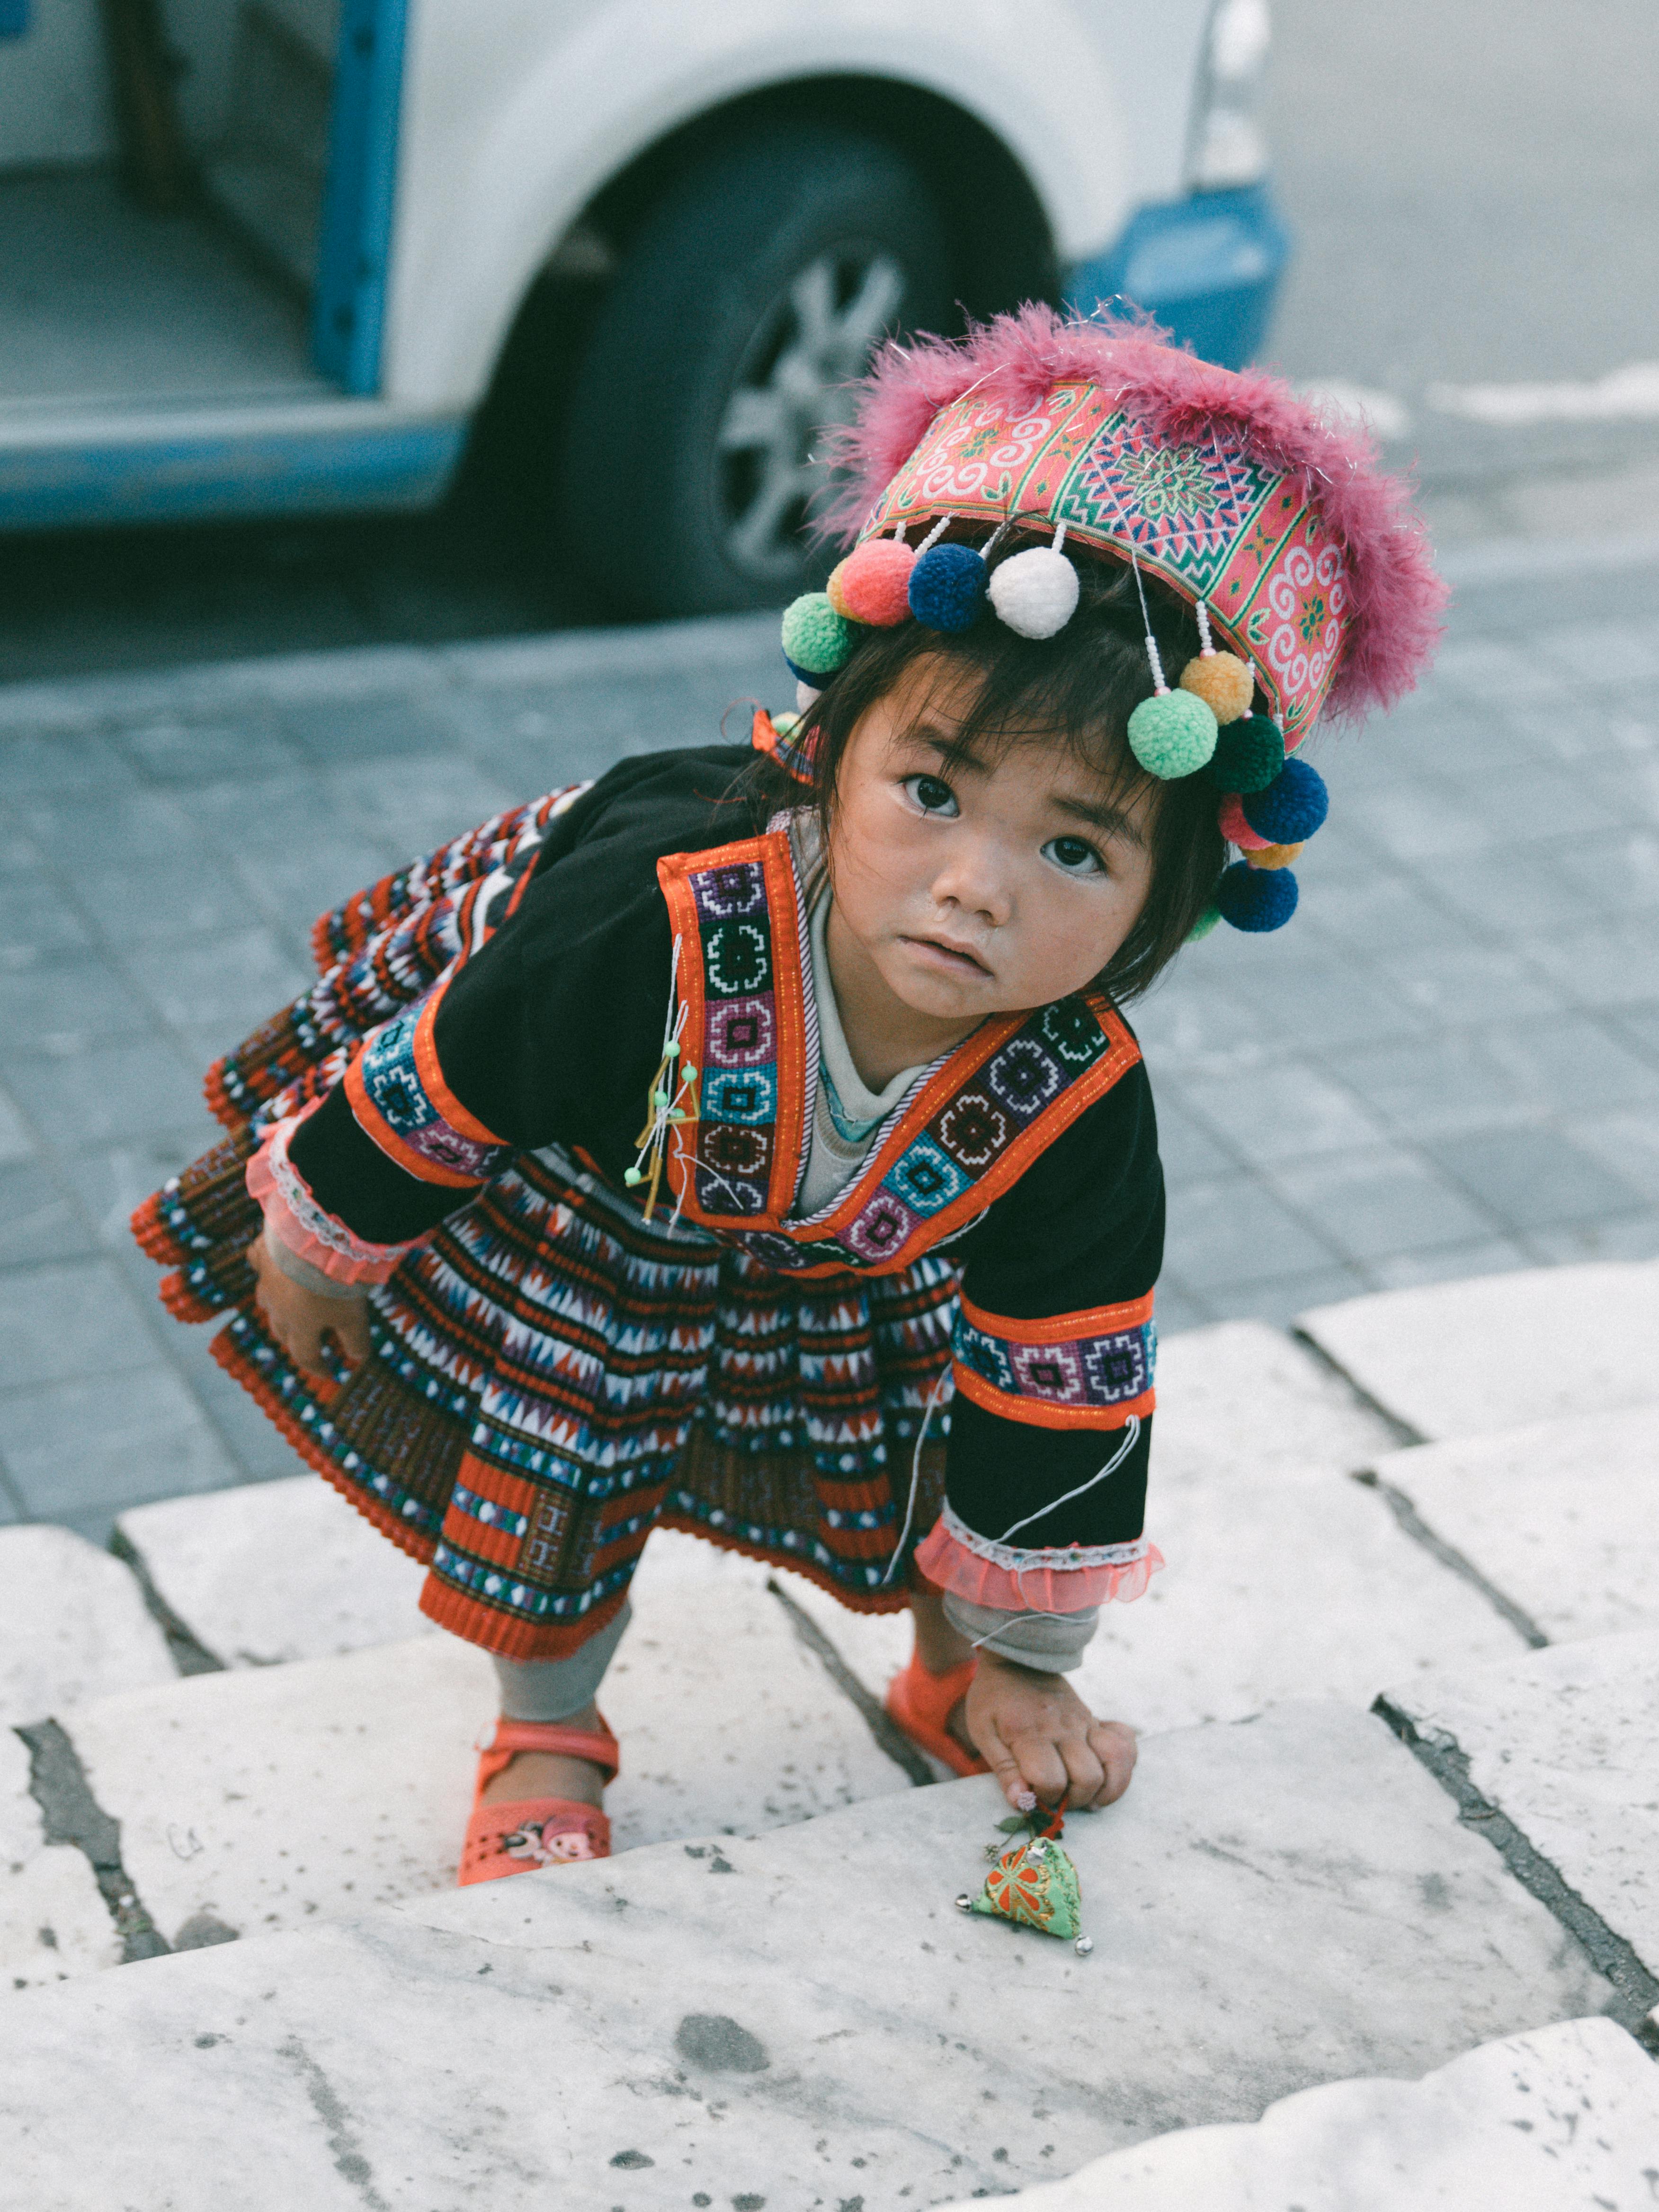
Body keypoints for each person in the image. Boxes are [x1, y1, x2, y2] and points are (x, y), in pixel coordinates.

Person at [134, 306, 1442, 1885]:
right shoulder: (651, 914)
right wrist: (325, 1237)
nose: (975, 889)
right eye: (932, 791)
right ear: (830, 749)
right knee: (562, 1468)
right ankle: (544, 1730)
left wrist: (1042, 1649)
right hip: (591, 1202)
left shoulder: (1074, 1097)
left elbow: (1067, 1378)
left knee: (944, 1463)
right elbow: (469, 1061)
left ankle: (959, 1672)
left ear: (1171, 896)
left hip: (867, 1258)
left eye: (1077, 848)